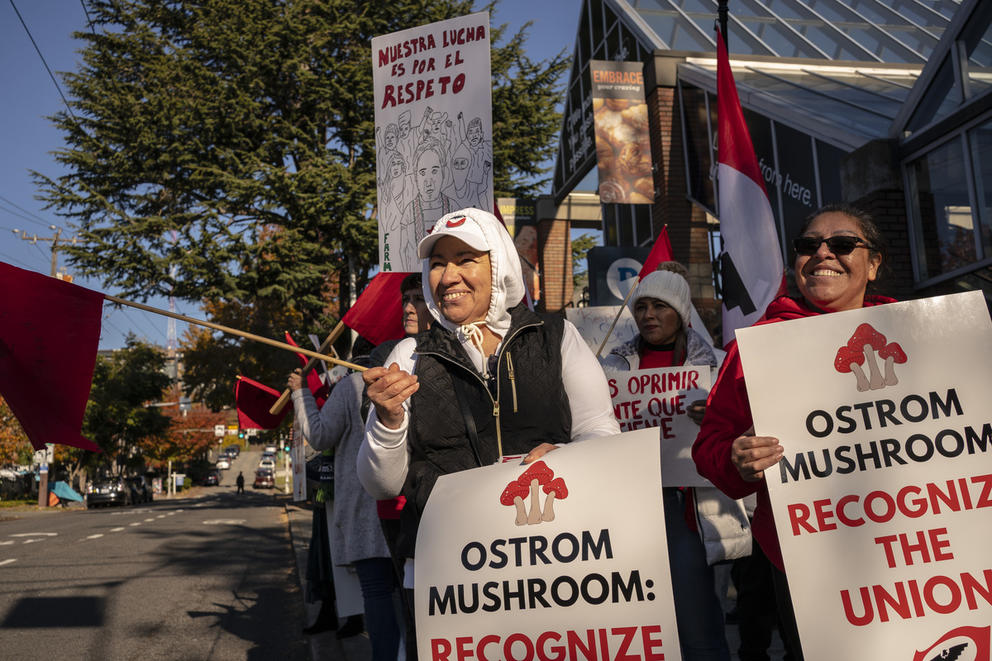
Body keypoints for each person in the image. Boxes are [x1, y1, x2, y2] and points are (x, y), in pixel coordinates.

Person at [358, 207, 620, 598]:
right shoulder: (409, 356)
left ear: (499, 265)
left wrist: (567, 457)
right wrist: (387, 421)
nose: (448, 277)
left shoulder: (556, 337)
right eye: (438, 263)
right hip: (449, 575)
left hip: (554, 561)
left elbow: (601, 435)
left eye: (465, 260)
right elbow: (381, 484)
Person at [693, 203, 893, 660]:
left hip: (917, 547)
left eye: (842, 244)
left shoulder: (918, 331)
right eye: (808, 245)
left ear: (874, 264)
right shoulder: (760, 345)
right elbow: (711, 447)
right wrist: (738, 459)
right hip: (807, 557)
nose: (823, 253)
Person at [602, 266, 746, 661]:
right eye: (641, 306)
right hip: (633, 507)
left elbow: (745, 432)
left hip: (689, 507)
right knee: (644, 622)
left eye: (660, 306)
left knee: (697, 620)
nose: (648, 315)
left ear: (681, 313)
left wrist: (714, 420)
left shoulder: (716, 367)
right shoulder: (611, 369)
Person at [289, 358, 401, 661]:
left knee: (377, 593)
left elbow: (321, 434)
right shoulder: (412, 373)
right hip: (410, 504)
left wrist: (301, 393)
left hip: (366, 507)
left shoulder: (351, 384)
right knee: (410, 595)